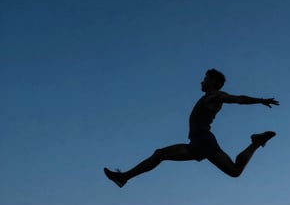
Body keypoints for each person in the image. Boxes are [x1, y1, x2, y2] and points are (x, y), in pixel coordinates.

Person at [104, 68, 279, 188]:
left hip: (204, 141)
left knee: (234, 171)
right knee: (159, 154)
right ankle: (123, 177)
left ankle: (256, 142)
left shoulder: (216, 96)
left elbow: (238, 99)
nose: (201, 81)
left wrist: (261, 100)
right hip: (197, 142)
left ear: (212, 82)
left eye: (205, 79)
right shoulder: (208, 97)